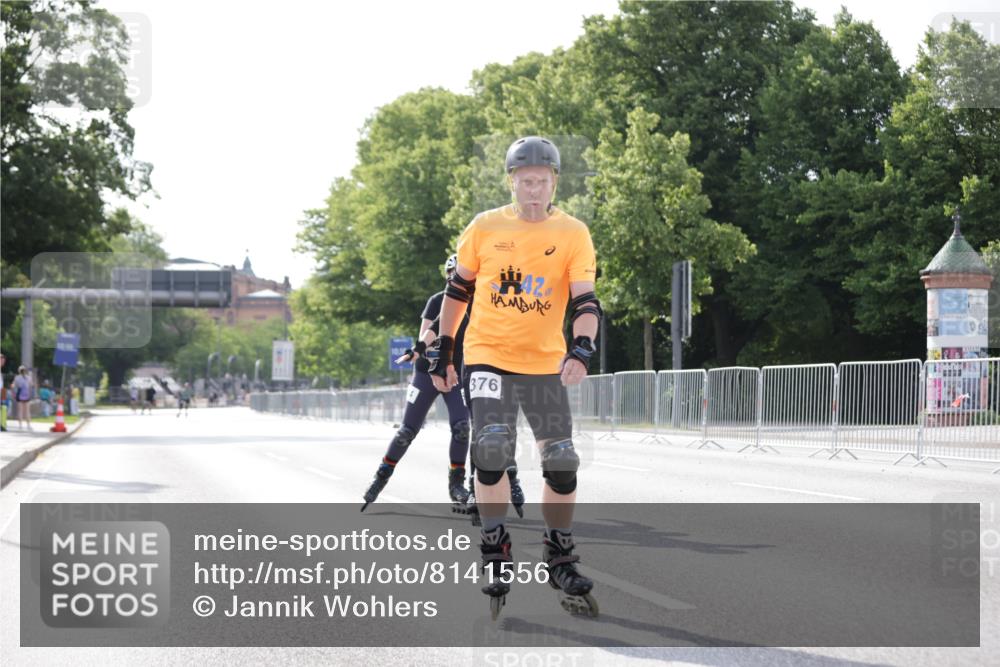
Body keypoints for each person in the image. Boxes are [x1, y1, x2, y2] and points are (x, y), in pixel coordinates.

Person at [429, 136, 601, 618]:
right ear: (511, 182)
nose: (533, 190)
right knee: (491, 448)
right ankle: (495, 548)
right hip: (488, 356)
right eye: (525, 181)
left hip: (544, 362)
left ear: (554, 183)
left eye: (541, 182)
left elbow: (585, 302)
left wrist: (582, 348)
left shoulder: (573, 233)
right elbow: (457, 292)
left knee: (562, 461)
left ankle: (559, 552)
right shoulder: (484, 227)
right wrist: (443, 350)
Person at [361, 255, 525, 513]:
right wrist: (433, 367)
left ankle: (457, 484)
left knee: (462, 427)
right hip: (428, 371)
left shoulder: (479, 302)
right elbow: (427, 336)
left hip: (456, 373)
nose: (456, 277)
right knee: (407, 432)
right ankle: (381, 476)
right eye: (452, 273)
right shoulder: (438, 301)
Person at [12, 365, 34, 431]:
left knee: (20, 411)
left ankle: (20, 426)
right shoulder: (29, 378)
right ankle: (28, 425)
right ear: (25, 371)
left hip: (19, 395)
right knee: (27, 411)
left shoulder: (17, 378)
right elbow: (31, 385)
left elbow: (14, 386)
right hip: (27, 395)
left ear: (19, 371)